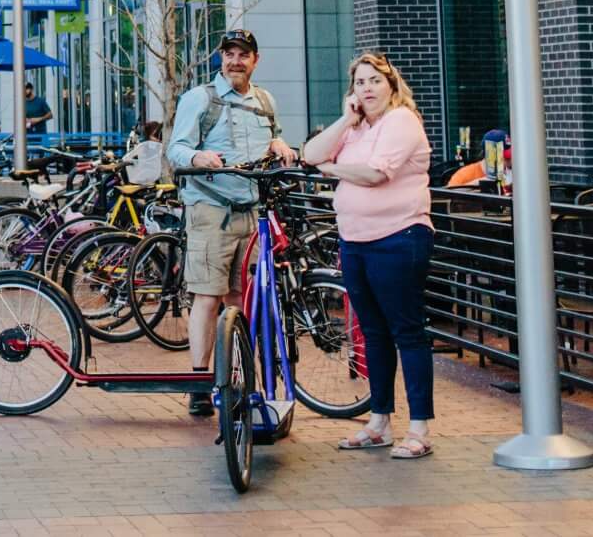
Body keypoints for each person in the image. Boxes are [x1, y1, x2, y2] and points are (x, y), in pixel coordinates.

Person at [304, 53, 436, 458]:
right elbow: (310, 154)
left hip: (398, 238)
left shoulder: (402, 121)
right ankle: (379, 421)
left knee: (407, 331)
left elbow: (377, 173)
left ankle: (419, 430)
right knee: (372, 333)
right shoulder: (357, 128)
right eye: (360, 83)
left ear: (392, 85)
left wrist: (332, 170)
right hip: (355, 241)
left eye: (375, 81)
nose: (368, 89)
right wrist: (347, 120)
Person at [166, 29, 295, 415]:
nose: (235, 61)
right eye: (229, 54)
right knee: (207, 296)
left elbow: (275, 136)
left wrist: (278, 145)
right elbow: (176, 149)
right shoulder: (200, 99)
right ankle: (200, 385)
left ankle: (238, 376)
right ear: (220, 58)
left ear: (256, 60)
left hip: (251, 213)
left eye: (243, 54)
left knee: (241, 298)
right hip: (211, 210)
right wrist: (198, 157)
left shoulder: (265, 100)